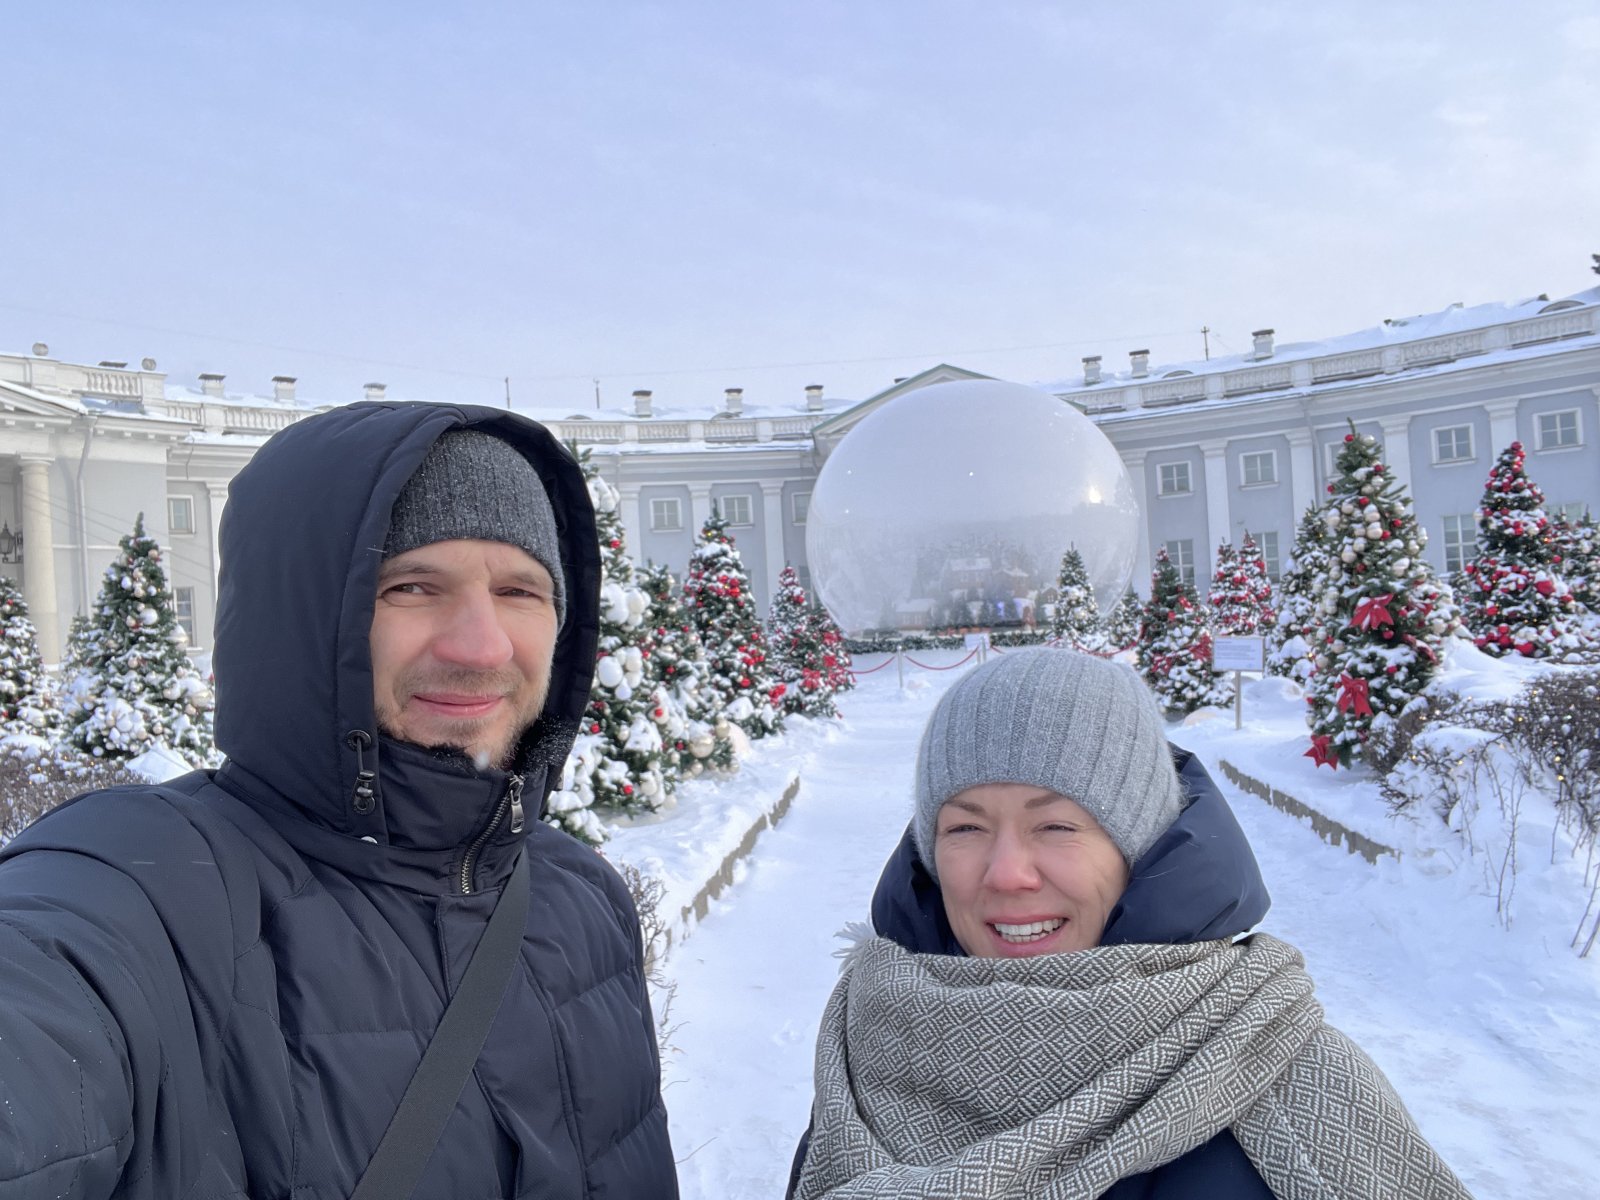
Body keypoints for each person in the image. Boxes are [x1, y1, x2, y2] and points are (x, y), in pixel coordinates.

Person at [0, 403, 678, 1198]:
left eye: (520, 590)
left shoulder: (583, 896)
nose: (483, 645)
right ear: (298, 618)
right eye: (412, 586)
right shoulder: (150, 889)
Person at [789, 646, 1472, 1200]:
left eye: (1056, 825)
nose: (1006, 874)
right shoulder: (872, 1048)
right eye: (964, 827)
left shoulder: (1292, 1080)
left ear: (1138, 846)